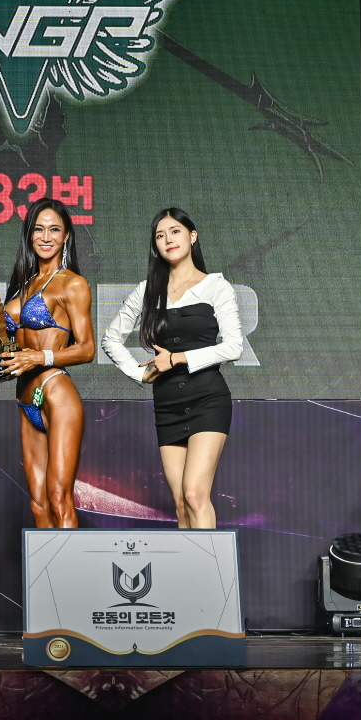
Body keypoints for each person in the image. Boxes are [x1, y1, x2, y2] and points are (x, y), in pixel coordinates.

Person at [102, 207, 242, 528]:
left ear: (192, 236)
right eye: (160, 235)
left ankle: (211, 564)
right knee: (180, 503)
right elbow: (110, 338)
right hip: (167, 403)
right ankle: (189, 564)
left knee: (195, 495)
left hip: (207, 399)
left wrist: (177, 358)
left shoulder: (216, 286)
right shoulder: (147, 290)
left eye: (175, 231)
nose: (168, 239)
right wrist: (140, 374)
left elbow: (234, 347)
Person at [0, 198, 94, 528]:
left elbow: (86, 349)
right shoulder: (24, 285)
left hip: (55, 394)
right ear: (29, 234)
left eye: (54, 229)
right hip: (25, 399)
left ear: (66, 235)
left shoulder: (72, 283)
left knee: (59, 499)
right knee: (38, 505)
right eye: (39, 229)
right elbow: (18, 346)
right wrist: (6, 363)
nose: (46, 236)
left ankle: (72, 566)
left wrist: (40, 357)